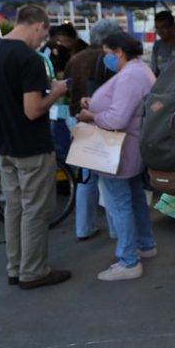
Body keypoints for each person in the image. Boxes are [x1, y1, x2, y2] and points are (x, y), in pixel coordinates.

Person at [0, 4, 71, 289]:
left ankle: (15, 267)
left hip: (5, 144)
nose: (42, 40)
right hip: (32, 146)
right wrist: (56, 91)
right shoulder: (29, 59)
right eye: (44, 33)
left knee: (14, 209)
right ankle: (33, 271)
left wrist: (8, 101)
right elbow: (33, 110)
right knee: (35, 210)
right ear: (38, 25)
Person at [76, 32, 156, 281]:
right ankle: (144, 244)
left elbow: (117, 118)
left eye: (107, 52)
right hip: (129, 149)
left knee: (120, 204)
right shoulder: (139, 71)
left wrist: (92, 116)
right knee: (133, 200)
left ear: (119, 51)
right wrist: (96, 105)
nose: (105, 58)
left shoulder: (130, 76)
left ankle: (128, 260)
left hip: (118, 151)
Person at [64, 19, 121, 240]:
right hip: (101, 122)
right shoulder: (109, 60)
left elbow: (68, 88)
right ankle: (117, 230)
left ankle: (83, 227)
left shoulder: (76, 58)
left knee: (86, 178)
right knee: (109, 180)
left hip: (77, 119)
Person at [150, 10, 175, 76]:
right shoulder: (157, 45)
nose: (160, 32)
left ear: (173, 27)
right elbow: (154, 70)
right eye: (157, 28)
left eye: (163, 28)